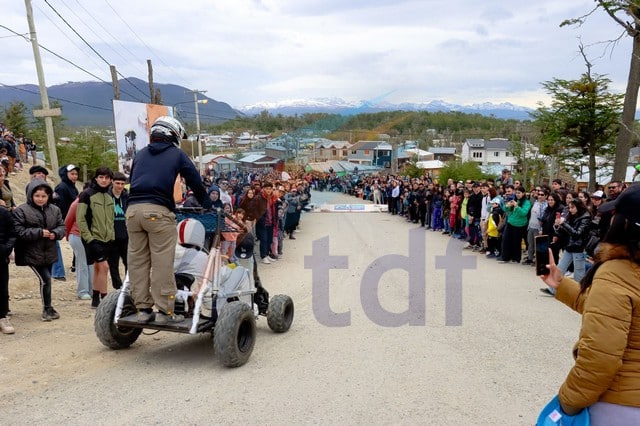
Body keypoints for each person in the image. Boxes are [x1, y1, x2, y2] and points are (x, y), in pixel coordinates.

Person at [539, 184, 640, 423]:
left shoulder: (618, 272)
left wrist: (567, 403)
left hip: (621, 405)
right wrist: (561, 284)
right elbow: (617, 316)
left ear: (624, 224)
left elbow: (600, 358)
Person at [127, 116, 206, 324]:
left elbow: (132, 179)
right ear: (174, 134)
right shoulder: (176, 154)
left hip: (132, 212)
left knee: (137, 262)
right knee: (162, 262)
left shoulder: (141, 154)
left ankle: (143, 310)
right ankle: (165, 311)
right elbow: (194, 181)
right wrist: (208, 202)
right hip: (158, 212)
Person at [12, 180, 65, 321]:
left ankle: (48, 307)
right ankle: (47, 309)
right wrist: (39, 232)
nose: (40, 199)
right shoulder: (21, 210)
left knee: (46, 279)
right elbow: (19, 231)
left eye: (43, 196)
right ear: (31, 195)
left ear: (48, 196)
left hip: (49, 251)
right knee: (46, 278)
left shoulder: (55, 210)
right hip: (30, 252)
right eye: (37, 196)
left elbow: (62, 226)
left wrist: (56, 233)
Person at [77, 167, 115, 308]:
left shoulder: (109, 195)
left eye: (106, 178)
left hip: (107, 239)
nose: (103, 180)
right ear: (96, 178)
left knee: (99, 269)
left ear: (110, 180)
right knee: (104, 267)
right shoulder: (86, 195)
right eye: (101, 177)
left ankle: (95, 299)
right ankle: (105, 300)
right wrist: (89, 239)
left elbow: (110, 219)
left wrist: (112, 237)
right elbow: (80, 219)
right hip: (92, 239)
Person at [51, 164, 80, 281]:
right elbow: (59, 206)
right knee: (54, 243)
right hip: (63, 220)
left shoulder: (73, 187)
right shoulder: (61, 187)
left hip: (74, 219)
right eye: (72, 174)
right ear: (65, 174)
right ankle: (56, 270)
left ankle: (75, 264)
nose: (75, 176)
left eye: (76, 174)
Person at [107, 172, 128, 290]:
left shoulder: (127, 197)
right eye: (117, 183)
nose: (120, 186)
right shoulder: (107, 196)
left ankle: (127, 286)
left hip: (125, 235)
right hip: (112, 236)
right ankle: (117, 287)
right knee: (113, 264)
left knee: (128, 263)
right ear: (112, 182)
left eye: (122, 184)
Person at [0, 200, 16, 333]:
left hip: (1, 256)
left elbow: (12, 233)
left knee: (2, 288)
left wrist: (6, 248)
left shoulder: (4, 213)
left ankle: (2, 317)